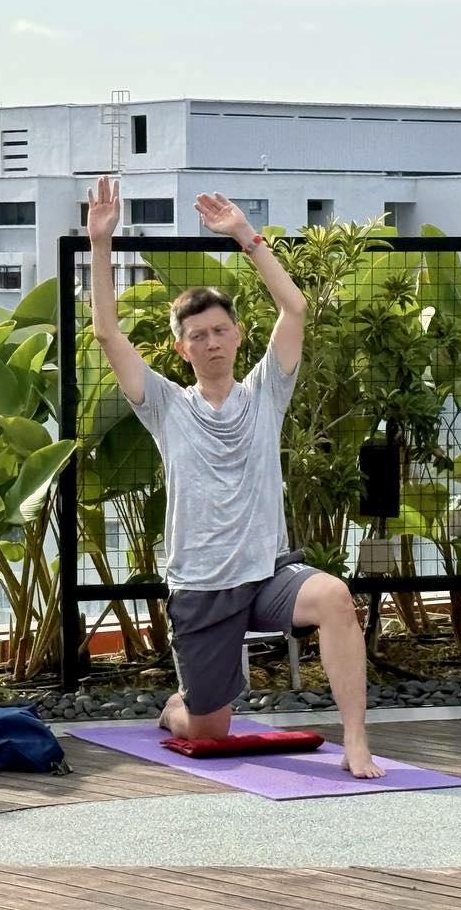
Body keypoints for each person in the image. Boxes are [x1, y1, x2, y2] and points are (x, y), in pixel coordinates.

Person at [86, 176, 384, 778]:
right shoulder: (166, 406)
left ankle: (356, 739)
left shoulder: (265, 393)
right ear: (182, 350)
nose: (212, 341)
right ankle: (180, 708)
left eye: (221, 330)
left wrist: (246, 236)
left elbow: (295, 308)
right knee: (207, 729)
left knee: (333, 597)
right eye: (198, 335)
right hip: (200, 586)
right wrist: (100, 244)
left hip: (267, 572)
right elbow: (107, 334)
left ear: (238, 335)